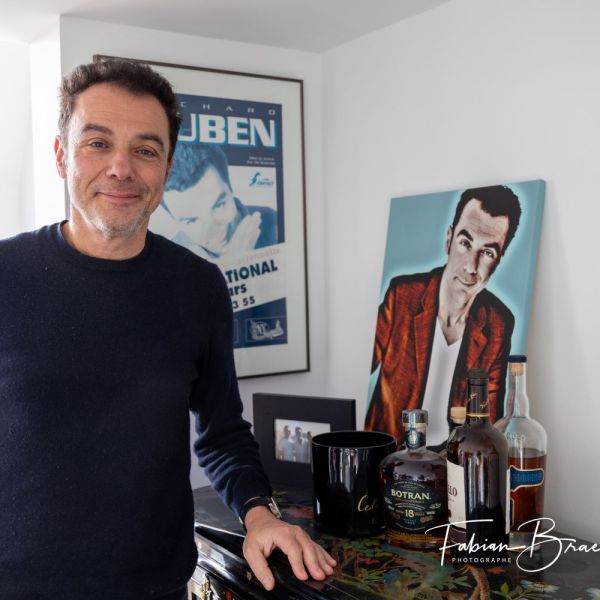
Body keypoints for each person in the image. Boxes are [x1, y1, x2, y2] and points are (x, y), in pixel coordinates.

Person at [0, 58, 334, 600]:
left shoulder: (198, 286)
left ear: (167, 169)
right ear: (62, 155)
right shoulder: (6, 275)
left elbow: (223, 434)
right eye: (97, 143)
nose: (121, 168)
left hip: (156, 587)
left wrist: (260, 515)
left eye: (146, 150)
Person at [365, 186, 521, 446]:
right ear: (449, 240)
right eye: (465, 243)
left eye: (488, 252)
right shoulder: (402, 296)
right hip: (391, 457)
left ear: (498, 261)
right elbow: (357, 368)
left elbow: (489, 426)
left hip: (452, 462)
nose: (471, 266)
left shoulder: (498, 323)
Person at [154, 142, 277, 260]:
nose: (214, 233)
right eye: (191, 221)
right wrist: (234, 264)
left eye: (219, 205)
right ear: (174, 219)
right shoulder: (169, 254)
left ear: (230, 188)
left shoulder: (273, 222)